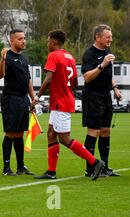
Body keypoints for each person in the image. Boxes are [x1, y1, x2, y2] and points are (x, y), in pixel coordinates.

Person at [31, 30, 105, 180]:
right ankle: (51, 172)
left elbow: (49, 78)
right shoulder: (70, 57)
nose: (47, 44)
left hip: (60, 103)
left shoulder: (53, 55)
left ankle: (95, 162)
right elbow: (75, 82)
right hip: (64, 100)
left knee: (64, 138)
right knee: (51, 134)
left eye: (48, 41)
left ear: (53, 41)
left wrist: (37, 97)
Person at [81, 24, 122, 177]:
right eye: (107, 37)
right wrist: (102, 64)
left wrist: (115, 88)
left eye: (111, 37)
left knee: (106, 131)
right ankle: (90, 168)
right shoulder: (89, 54)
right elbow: (87, 77)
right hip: (92, 96)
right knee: (94, 131)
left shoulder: (107, 51)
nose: (110, 39)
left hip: (106, 95)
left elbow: (108, 75)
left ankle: (105, 167)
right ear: (98, 37)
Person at [0, 29, 35, 176]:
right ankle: (6, 168)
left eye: (24, 38)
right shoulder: (8, 56)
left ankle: (21, 167)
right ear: (12, 41)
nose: (23, 41)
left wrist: (33, 97)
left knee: (20, 133)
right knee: (10, 133)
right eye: (20, 39)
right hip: (10, 99)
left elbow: (28, 79)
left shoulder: (24, 58)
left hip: (23, 98)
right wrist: (2, 59)